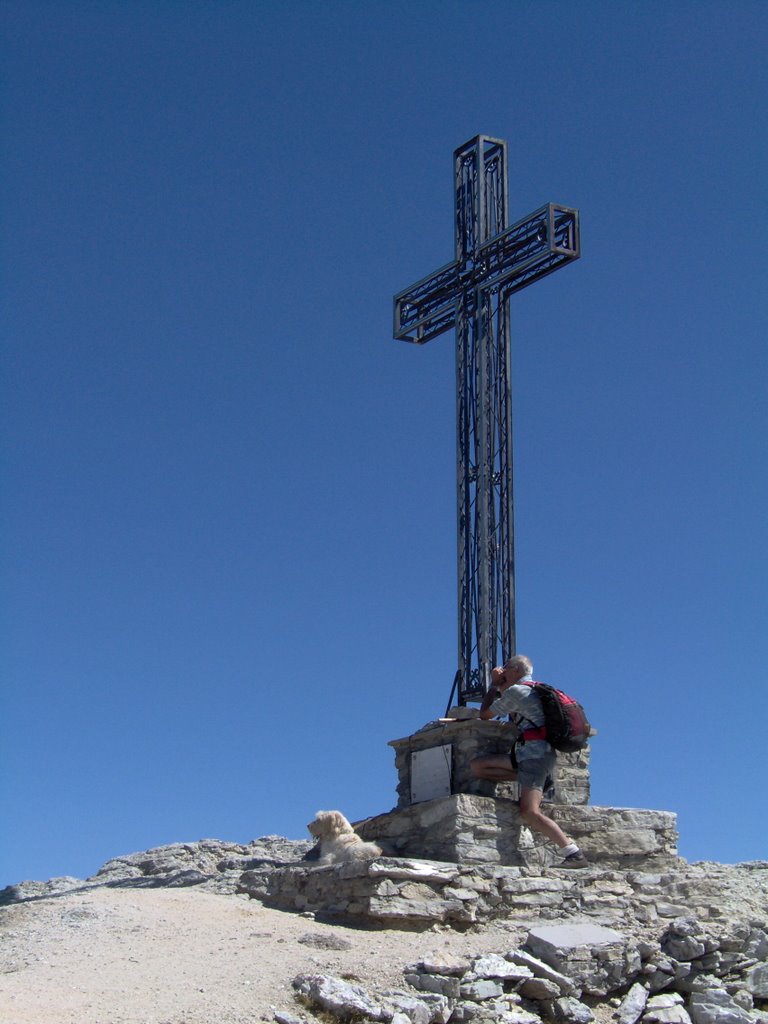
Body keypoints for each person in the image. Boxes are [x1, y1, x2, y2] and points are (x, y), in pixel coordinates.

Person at [470, 654, 588, 868]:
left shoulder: (518, 691)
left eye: (506, 669)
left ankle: (573, 853)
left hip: (535, 756)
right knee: (478, 767)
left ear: (516, 670)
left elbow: (485, 714)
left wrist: (494, 686)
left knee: (529, 811)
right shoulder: (534, 689)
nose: (503, 672)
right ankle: (538, 781)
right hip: (528, 756)